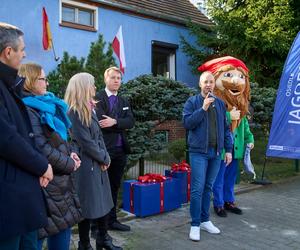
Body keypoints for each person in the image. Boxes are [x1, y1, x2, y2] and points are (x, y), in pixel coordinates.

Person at [0, 22, 53, 250]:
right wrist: (42, 166)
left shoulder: (10, 85)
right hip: (8, 202)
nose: (25, 54)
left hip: (22, 195)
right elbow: (7, 138)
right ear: (8, 51)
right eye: (21, 49)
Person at [18, 62, 82, 250]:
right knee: (38, 236)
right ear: (29, 81)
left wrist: (72, 153)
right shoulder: (27, 109)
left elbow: (62, 138)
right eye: (42, 78)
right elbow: (41, 147)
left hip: (61, 183)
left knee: (62, 231)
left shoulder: (49, 105)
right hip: (45, 184)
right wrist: (69, 164)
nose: (46, 82)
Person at [65, 72, 122, 250]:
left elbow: (98, 138)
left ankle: (103, 239)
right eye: (92, 84)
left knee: (104, 200)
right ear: (83, 87)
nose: (95, 88)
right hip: (86, 166)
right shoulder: (74, 111)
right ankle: (84, 244)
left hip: (98, 163)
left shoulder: (90, 107)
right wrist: (103, 157)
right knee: (88, 205)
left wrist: (105, 157)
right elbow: (86, 142)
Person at [198, 56, 254, 217]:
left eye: (240, 76)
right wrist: (230, 116)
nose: (236, 81)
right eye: (228, 75)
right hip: (221, 150)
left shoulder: (240, 107)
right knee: (219, 178)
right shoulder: (213, 102)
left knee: (230, 178)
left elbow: (245, 129)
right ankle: (219, 204)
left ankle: (230, 201)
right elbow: (213, 121)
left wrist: (250, 141)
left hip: (236, 150)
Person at [183, 71, 233, 242]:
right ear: (200, 84)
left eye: (211, 82)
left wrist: (228, 150)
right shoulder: (192, 102)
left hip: (216, 153)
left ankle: (205, 220)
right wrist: (203, 108)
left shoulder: (220, 103)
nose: (208, 85)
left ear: (214, 84)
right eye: (205, 82)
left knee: (208, 188)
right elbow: (187, 123)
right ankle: (195, 224)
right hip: (198, 153)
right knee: (197, 189)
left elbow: (226, 129)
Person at [95, 66, 134, 232]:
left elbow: (130, 122)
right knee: (100, 188)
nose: (117, 81)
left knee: (114, 187)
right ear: (106, 79)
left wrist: (115, 122)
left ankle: (112, 221)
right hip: (104, 150)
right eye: (113, 78)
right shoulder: (97, 98)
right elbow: (101, 123)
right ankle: (96, 226)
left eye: (119, 78)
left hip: (120, 151)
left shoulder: (124, 101)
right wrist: (119, 123)